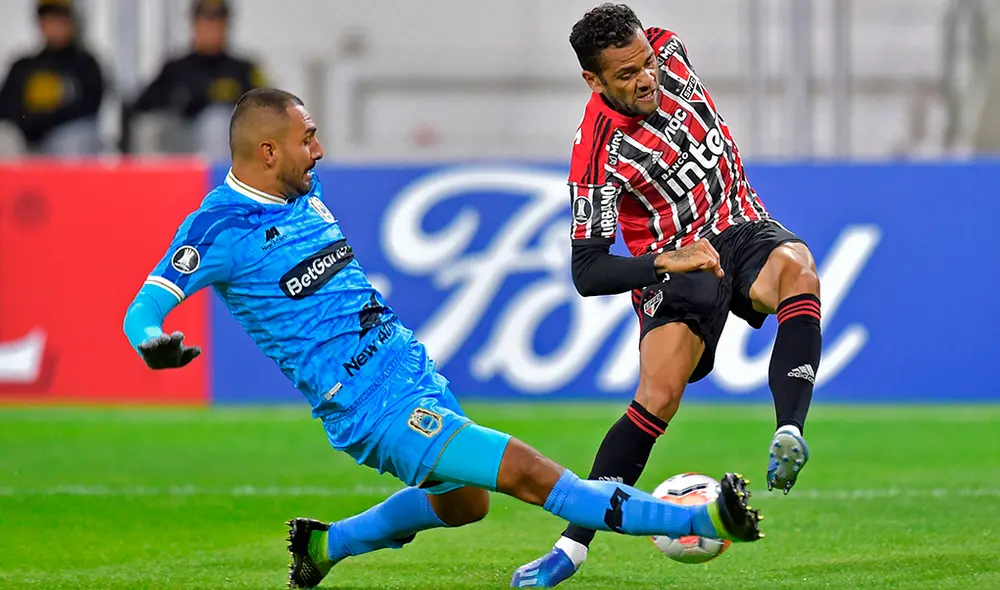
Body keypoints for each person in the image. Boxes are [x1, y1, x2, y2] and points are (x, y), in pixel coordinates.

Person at [121, 88, 763, 589]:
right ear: (267, 151)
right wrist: (152, 338)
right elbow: (144, 308)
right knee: (532, 475)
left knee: (466, 505)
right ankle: (701, 519)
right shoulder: (218, 227)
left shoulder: (304, 194)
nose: (317, 150)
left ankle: (325, 545)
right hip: (371, 408)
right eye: (306, 138)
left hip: (409, 369)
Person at [510, 3, 822, 587]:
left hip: (740, 225)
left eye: (645, 64)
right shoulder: (597, 152)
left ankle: (790, 430)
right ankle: (571, 548)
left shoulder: (669, 48)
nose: (645, 78)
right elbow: (587, 270)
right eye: (625, 75)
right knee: (658, 396)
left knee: (798, 269)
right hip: (680, 264)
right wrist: (661, 261)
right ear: (593, 81)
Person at [128, 0, 265, 155]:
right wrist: (177, 101)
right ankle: (153, 179)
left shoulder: (242, 69)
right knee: (150, 127)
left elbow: (266, 110)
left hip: (225, 147)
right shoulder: (176, 67)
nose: (211, 29)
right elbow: (142, 105)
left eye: (217, 23)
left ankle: (220, 179)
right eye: (205, 23)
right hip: (182, 139)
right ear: (194, 25)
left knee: (217, 121)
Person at [0, 0, 104, 154]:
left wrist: (44, 122)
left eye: (59, 18)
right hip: (27, 139)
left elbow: (87, 107)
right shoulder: (23, 66)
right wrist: (29, 125)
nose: (54, 25)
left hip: (63, 136)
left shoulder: (85, 64)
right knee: (5, 136)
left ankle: (69, 179)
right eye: (48, 19)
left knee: (75, 137)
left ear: (71, 22)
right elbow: (6, 107)